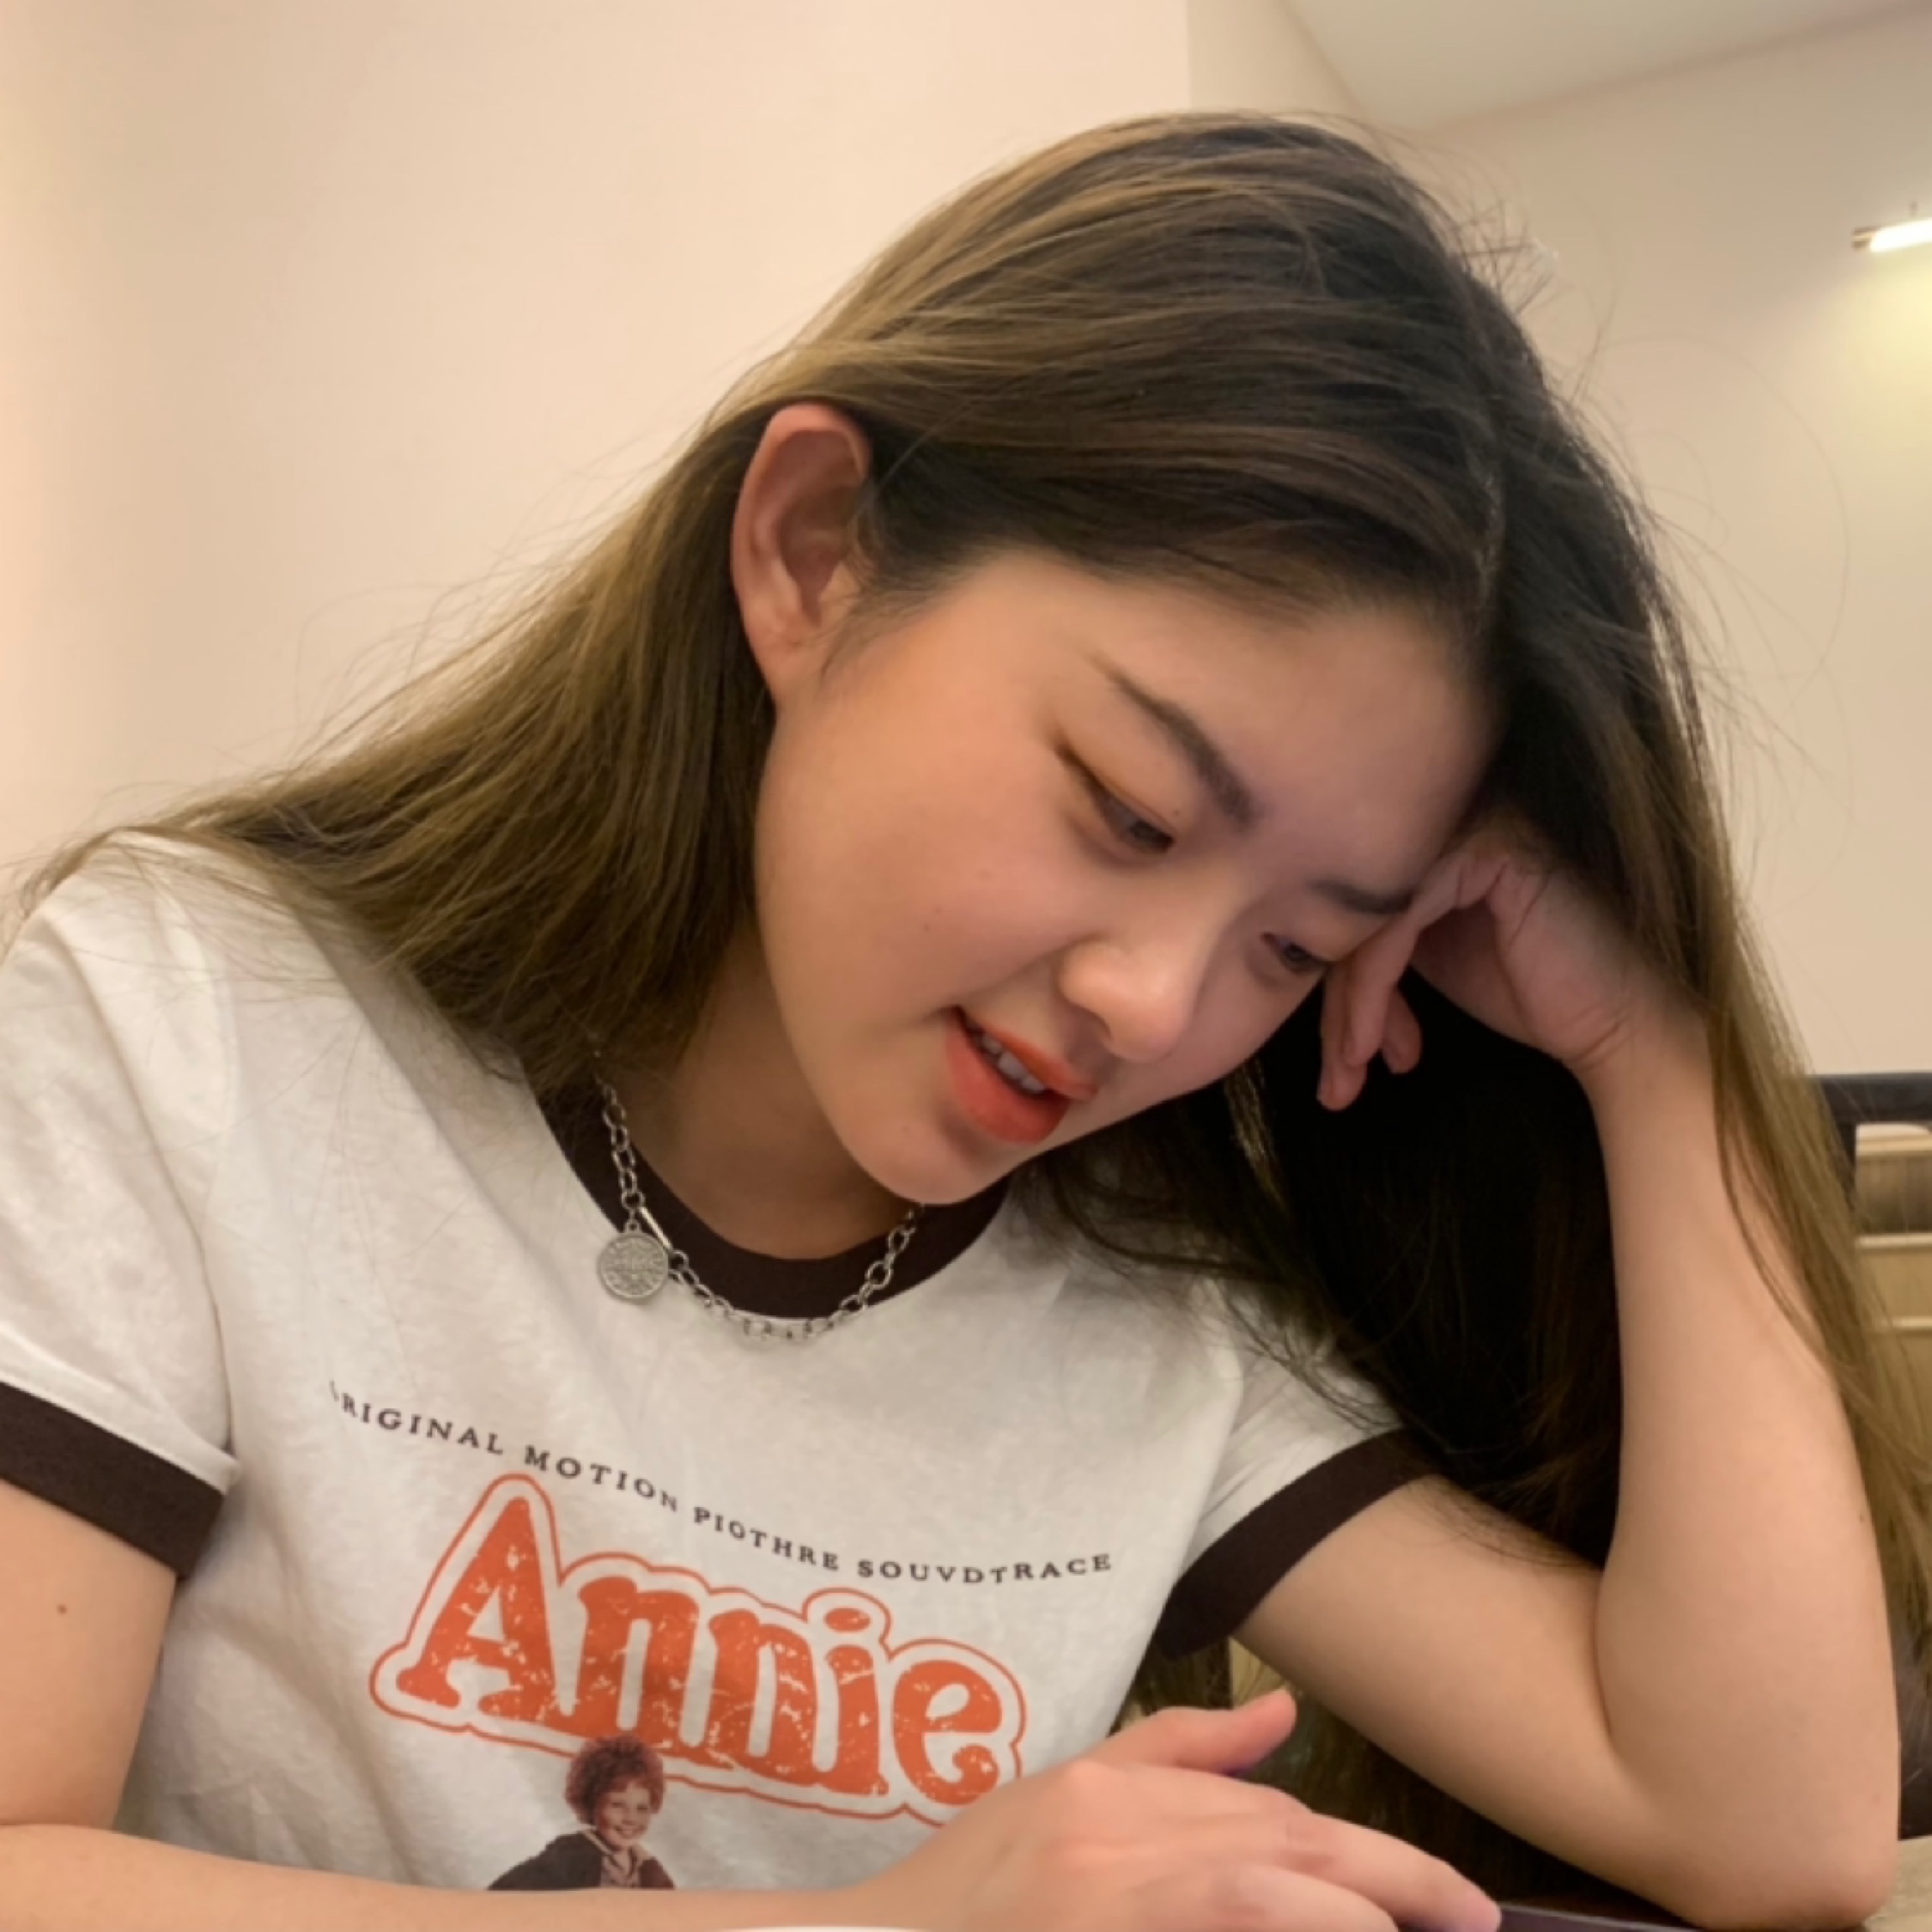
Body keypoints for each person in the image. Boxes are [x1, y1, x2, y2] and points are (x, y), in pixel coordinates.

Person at [0, 112, 1917, 1932]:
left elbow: (1774, 1827)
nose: (1155, 1005)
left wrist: (1650, 1048)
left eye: (1290, 948)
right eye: (1129, 812)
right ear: (815, 550)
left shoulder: (1152, 1321)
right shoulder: (196, 1025)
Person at [490, 1737, 677, 1891]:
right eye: (617, 1805)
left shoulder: (649, 1869)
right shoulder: (570, 1857)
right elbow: (502, 1897)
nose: (631, 1819)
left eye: (642, 1808)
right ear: (592, 1803)